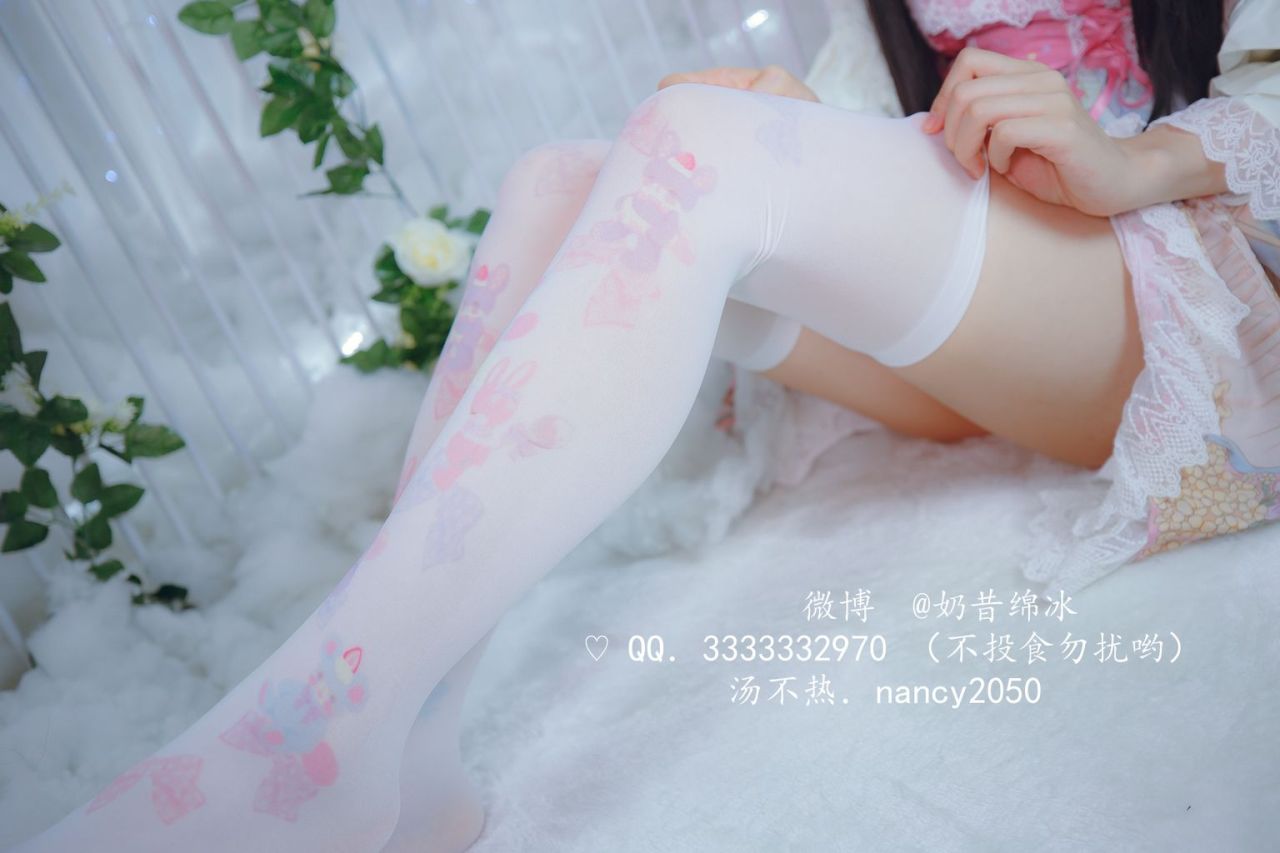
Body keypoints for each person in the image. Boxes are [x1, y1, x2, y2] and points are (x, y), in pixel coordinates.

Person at [12, 1, 1277, 851]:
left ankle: (309, 738)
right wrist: (815, 136)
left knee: (695, 148)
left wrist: (1137, 164)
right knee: (561, 183)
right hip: (1014, 315)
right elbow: (890, 131)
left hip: (1204, 294)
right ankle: (410, 745)